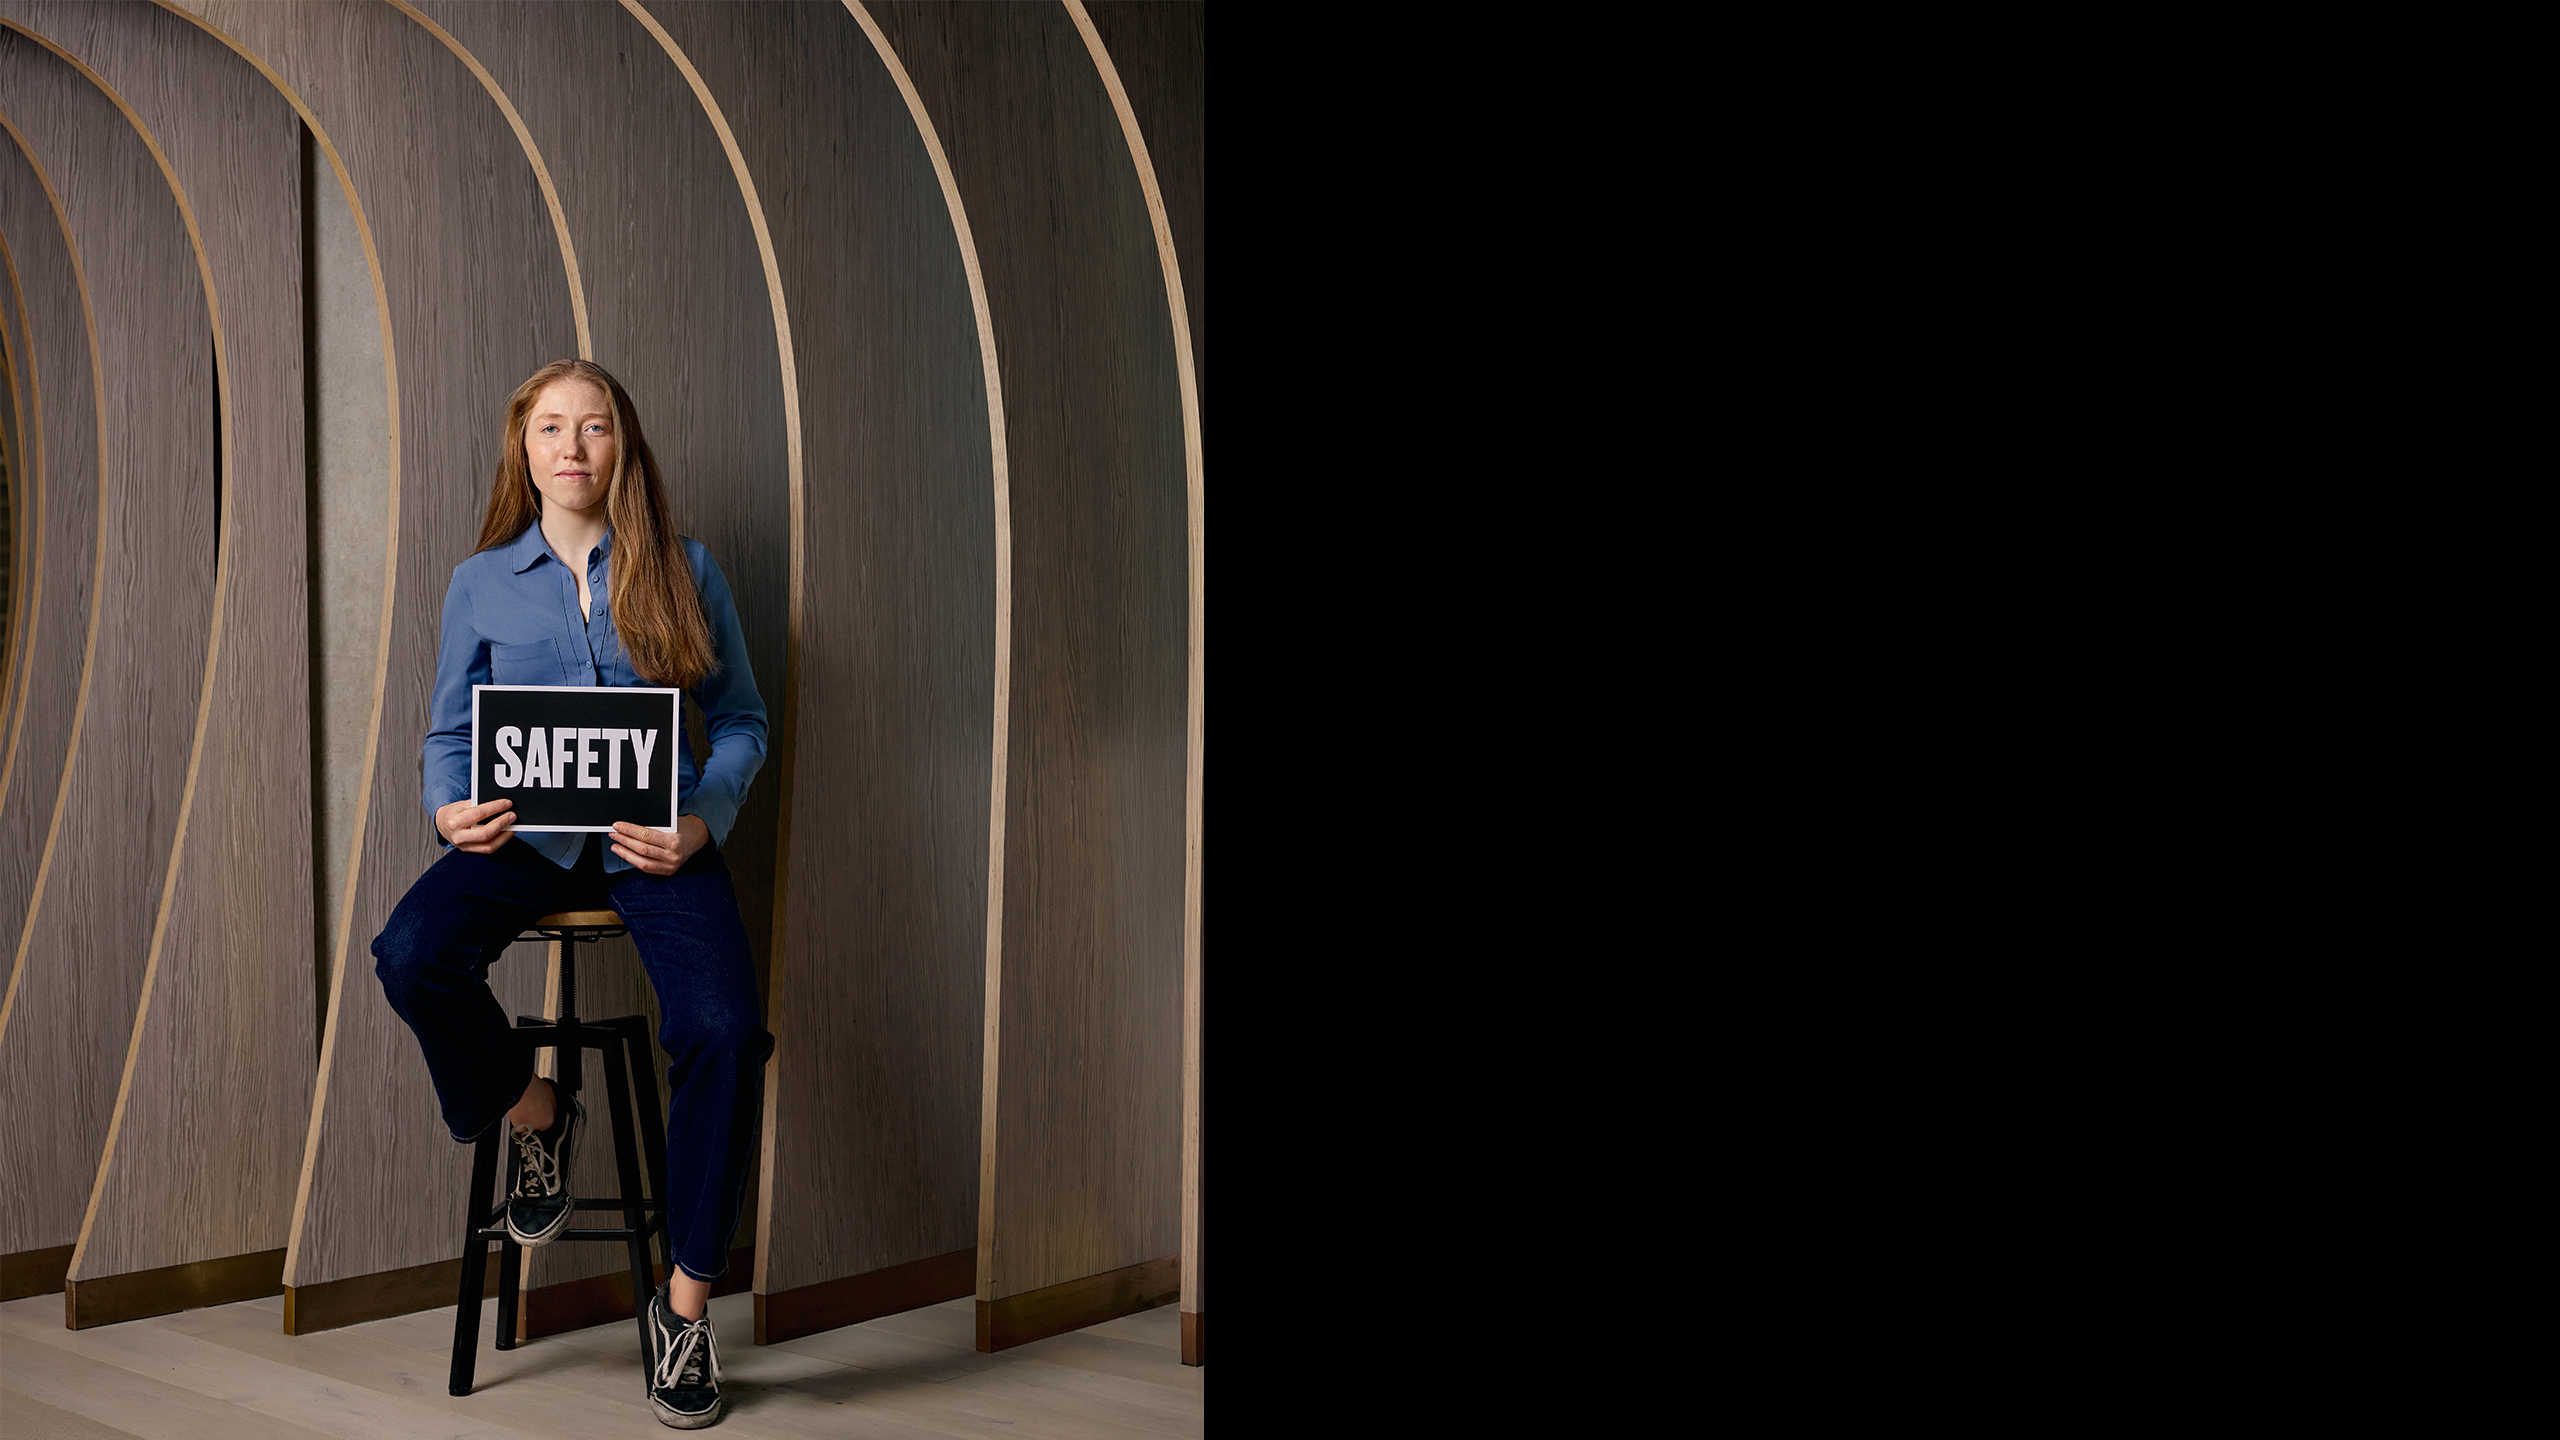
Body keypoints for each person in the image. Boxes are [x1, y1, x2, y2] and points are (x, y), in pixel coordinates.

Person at [373, 358, 769, 1430]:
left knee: (728, 1030)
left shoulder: (687, 569)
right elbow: (449, 732)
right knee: (408, 955)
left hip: (656, 841)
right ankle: (538, 1111)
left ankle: (682, 1310)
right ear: (526, 448)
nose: (573, 447)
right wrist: (449, 807)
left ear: (621, 447)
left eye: (594, 428)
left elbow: (741, 722)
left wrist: (702, 820)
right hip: (527, 839)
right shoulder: (480, 582)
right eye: (552, 428)